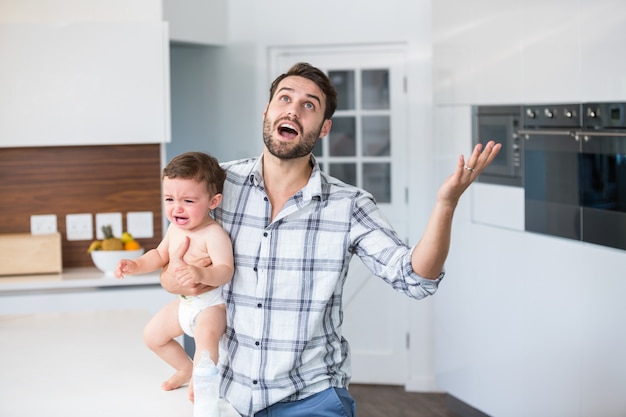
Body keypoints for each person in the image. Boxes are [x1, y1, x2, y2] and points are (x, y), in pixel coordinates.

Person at [160, 62, 501, 417]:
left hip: (312, 398)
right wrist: (181, 278)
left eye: (309, 105)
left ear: (324, 128)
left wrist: (446, 204)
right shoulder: (216, 187)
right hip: (227, 396)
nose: (293, 109)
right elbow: (168, 272)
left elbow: (415, 279)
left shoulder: (348, 205)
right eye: (284, 98)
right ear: (267, 111)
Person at [114, 151, 234, 399]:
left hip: (211, 306)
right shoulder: (175, 228)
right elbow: (159, 255)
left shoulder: (213, 234)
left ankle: (201, 384)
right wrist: (135, 265)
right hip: (185, 304)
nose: (176, 208)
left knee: (206, 340)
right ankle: (184, 368)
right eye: (169, 199)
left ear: (213, 201)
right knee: (152, 336)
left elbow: (225, 270)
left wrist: (200, 273)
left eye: (188, 201)